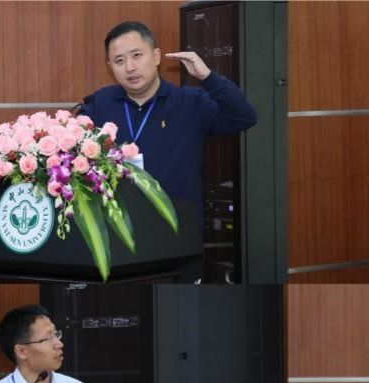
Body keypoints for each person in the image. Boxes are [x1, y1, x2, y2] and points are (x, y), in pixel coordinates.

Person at [79, 20, 257, 279]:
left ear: (156, 56)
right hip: (118, 242)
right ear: (110, 66)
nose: (130, 67)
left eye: (137, 56)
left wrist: (208, 77)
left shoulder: (190, 102)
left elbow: (244, 118)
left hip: (177, 243)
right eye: (119, 60)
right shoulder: (100, 103)